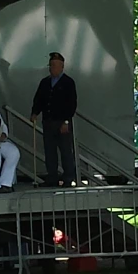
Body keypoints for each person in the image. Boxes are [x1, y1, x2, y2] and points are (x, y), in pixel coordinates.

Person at [31, 51, 79, 186]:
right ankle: (52, 177)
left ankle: (68, 178)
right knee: (49, 151)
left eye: (56, 65)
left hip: (61, 122)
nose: (53, 68)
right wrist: (35, 112)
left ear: (62, 67)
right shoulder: (45, 82)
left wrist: (66, 121)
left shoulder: (68, 82)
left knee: (65, 151)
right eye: (51, 65)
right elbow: (39, 99)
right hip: (48, 121)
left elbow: (72, 104)